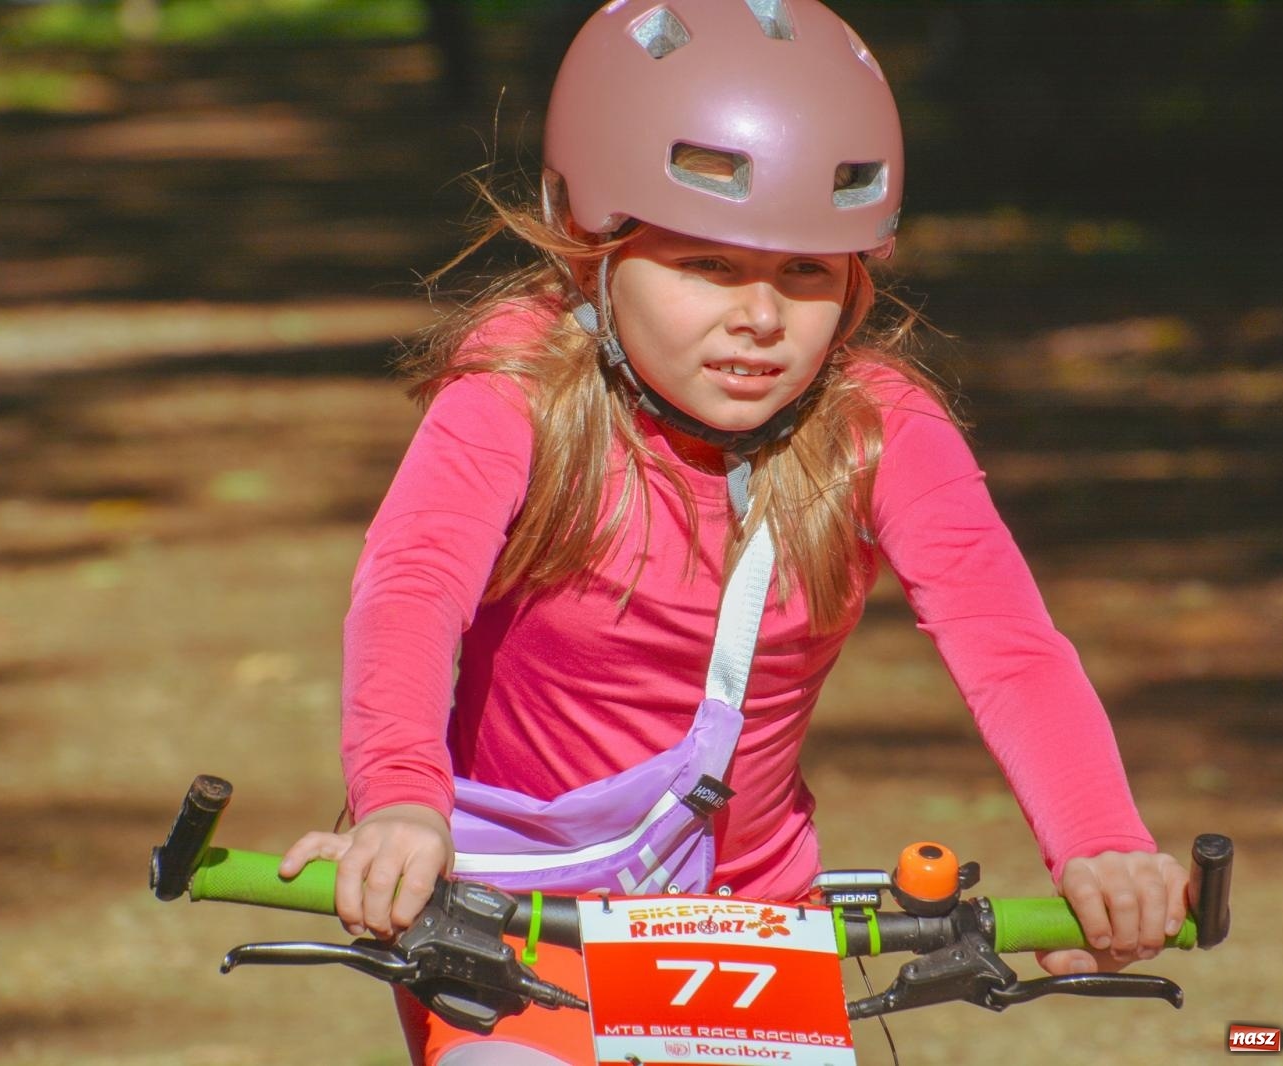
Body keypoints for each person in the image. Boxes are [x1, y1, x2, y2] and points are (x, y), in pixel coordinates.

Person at [281, 2, 1188, 1063]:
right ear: (593, 247)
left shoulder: (878, 428)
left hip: (747, 927)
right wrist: (399, 801)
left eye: (807, 271)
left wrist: (1100, 842)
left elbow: (1011, 650)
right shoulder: (516, 389)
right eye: (708, 265)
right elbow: (410, 585)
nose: (761, 318)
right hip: (508, 910)